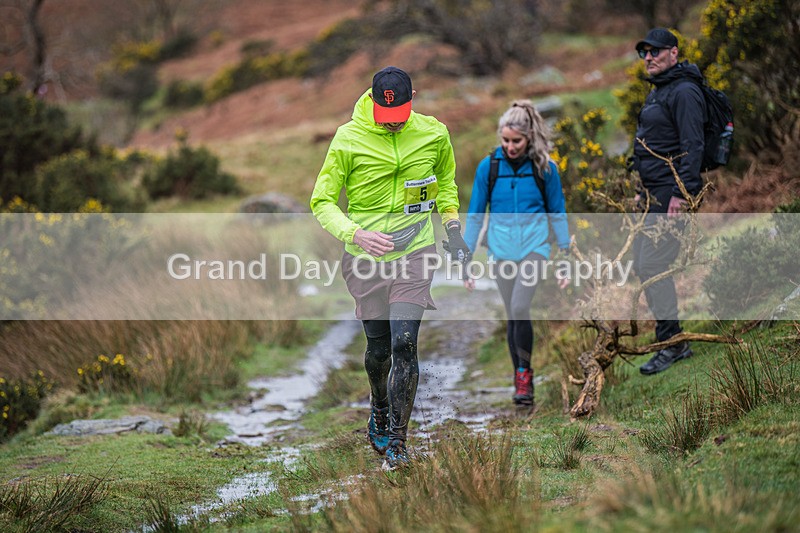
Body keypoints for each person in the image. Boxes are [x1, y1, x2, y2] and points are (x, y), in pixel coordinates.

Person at [310, 66, 470, 470]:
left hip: (416, 251)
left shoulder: (435, 133)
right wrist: (354, 233)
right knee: (379, 350)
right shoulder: (348, 138)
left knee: (405, 344)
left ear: (412, 97)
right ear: (372, 100)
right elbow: (322, 201)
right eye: (386, 119)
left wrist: (453, 230)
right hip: (366, 258)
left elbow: (446, 185)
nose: (394, 124)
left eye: (400, 116)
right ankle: (379, 406)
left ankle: (399, 441)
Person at [462, 100, 570, 407]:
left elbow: (558, 212)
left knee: (521, 306)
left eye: (516, 141)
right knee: (513, 314)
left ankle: (524, 372)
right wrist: (465, 258)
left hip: (535, 248)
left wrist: (564, 256)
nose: (510, 146)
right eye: (506, 140)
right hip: (500, 249)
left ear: (529, 138)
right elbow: (475, 215)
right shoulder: (489, 167)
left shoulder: (545, 169)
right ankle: (521, 377)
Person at [630, 28, 705, 375]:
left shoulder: (685, 91)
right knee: (645, 265)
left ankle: (673, 344)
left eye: (656, 51)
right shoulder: (660, 91)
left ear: (674, 52)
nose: (649, 57)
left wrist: (682, 194)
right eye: (645, 52)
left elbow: (693, 145)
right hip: (655, 196)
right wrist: (641, 191)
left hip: (672, 197)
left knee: (653, 265)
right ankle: (673, 341)